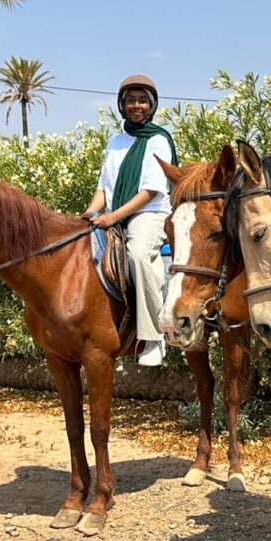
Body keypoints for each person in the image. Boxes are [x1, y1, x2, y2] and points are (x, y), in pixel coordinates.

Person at [82, 74, 177, 367]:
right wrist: (89, 213)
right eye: (131, 100)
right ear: (122, 105)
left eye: (142, 100)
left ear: (152, 105)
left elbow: (150, 191)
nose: (137, 105)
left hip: (148, 213)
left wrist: (113, 217)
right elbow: (104, 187)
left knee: (137, 255)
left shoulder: (159, 140)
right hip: (111, 214)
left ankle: (154, 336)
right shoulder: (115, 141)